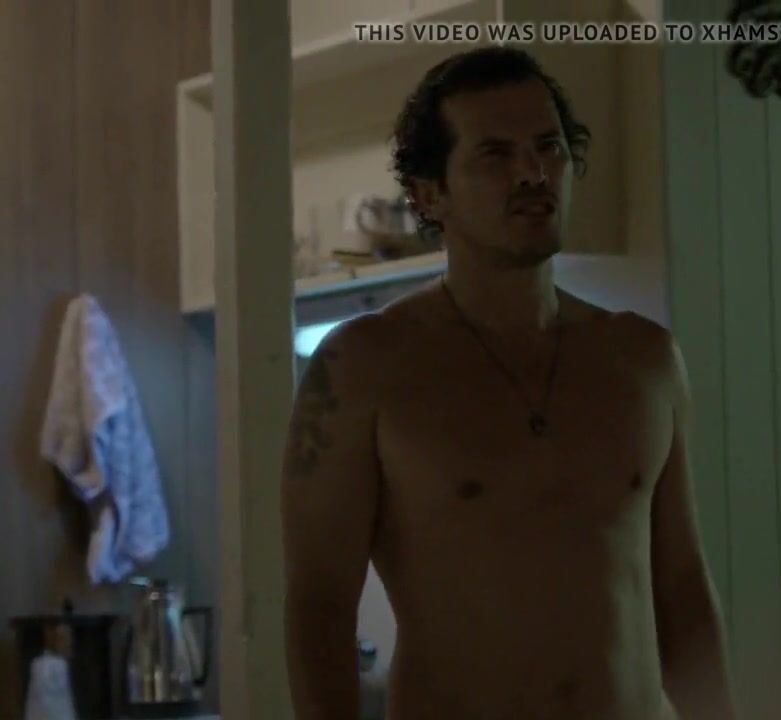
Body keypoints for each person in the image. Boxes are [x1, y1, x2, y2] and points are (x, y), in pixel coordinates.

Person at [281, 45, 737, 720]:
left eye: (548, 147)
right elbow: (319, 603)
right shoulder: (365, 367)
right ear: (430, 193)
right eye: (495, 154)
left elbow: (683, 590)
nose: (532, 172)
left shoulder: (642, 359)